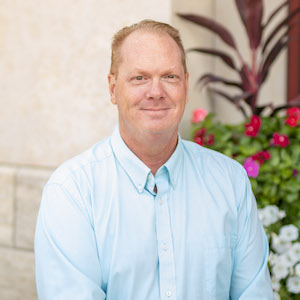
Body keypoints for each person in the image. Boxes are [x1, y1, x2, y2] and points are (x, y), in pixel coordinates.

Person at [35, 20, 274, 299]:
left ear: (186, 85)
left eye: (170, 77)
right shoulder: (72, 192)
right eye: (139, 78)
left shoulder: (230, 182)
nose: (156, 91)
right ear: (112, 88)